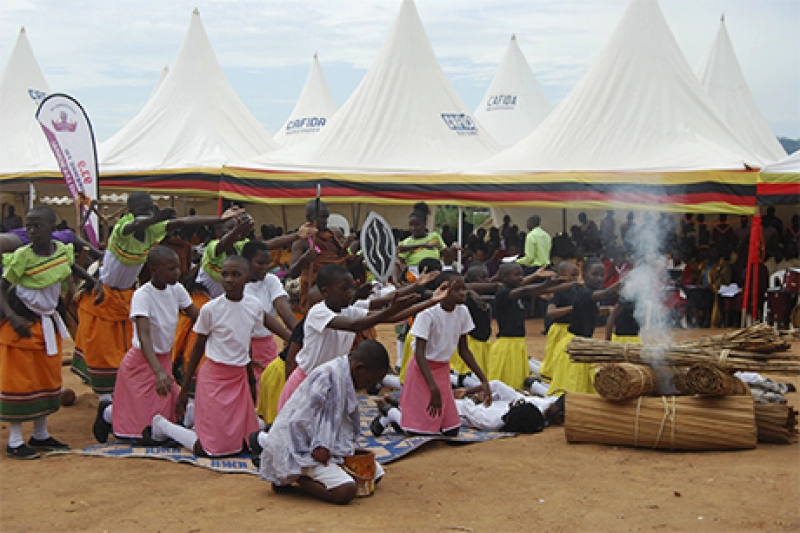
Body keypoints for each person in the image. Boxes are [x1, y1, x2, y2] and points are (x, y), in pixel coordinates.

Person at [72, 192, 242, 401]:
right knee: (103, 347)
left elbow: (183, 221)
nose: (147, 215)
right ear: (131, 212)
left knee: (124, 346)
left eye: (150, 211)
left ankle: (123, 393)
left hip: (125, 296)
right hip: (103, 296)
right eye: (142, 211)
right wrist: (155, 218)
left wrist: (220, 219)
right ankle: (104, 401)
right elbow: (135, 225)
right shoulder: (123, 228)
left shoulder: (154, 231)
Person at [0, 206, 102, 459]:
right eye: (29, 226)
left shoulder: (60, 252)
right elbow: (1, 288)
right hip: (21, 328)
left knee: (45, 379)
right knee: (19, 382)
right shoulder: (22, 256)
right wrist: (12, 318)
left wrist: (94, 282)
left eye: (38, 226)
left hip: (46, 327)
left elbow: (70, 268)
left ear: (52, 229)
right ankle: (14, 441)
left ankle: (40, 435)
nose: (32, 231)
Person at [279, 264, 446, 410]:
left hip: (329, 384)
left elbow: (390, 316)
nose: (351, 293)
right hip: (306, 383)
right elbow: (357, 325)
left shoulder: (349, 310)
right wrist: (391, 308)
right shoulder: (319, 312)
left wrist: (430, 300)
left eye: (352, 288)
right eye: (345, 289)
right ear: (326, 291)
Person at [148, 256, 262, 456]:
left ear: (247, 278)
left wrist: (251, 379)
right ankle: (163, 426)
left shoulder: (254, 306)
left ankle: (195, 415)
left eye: (236, 275)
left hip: (238, 379)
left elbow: (245, 343)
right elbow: (198, 347)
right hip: (214, 379)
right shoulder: (211, 309)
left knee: (245, 443)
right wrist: (184, 389)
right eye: (225, 274)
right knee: (211, 449)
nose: (228, 280)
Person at [250, 339, 390, 504]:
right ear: (359, 368)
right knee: (346, 491)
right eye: (368, 381)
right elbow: (300, 420)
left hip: (327, 447)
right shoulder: (326, 376)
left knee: (374, 474)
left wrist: (341, 446)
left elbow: (338, 423)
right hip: (301, 446)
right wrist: (318, 447)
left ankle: (285, 463)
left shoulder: (346, 375)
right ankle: (290, 474)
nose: (367, 387)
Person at [92, 246, 199, 443]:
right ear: (154, 269)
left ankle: (111, 411)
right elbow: (144, 335)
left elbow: (196, 315)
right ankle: (107, 413)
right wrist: (157, 371)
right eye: (170, 268)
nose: (176, 272)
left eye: (177, 268)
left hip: (163, 359)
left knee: (164, 410)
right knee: (138, 421)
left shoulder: (177, 289)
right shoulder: (143, 295)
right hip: (143, 361)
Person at [371, 272, 491, 437]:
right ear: (442, 290)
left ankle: (400, 411)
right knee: (418, 431)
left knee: (451, 430)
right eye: (457, 289)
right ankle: (390, 414)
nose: (463, 293)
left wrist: (483, 379)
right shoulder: (428, 314)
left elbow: (464, 350)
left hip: (442, 369)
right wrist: (433, 387)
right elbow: (419, 353)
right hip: (423, 369)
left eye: (464, 288)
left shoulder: (462, 311)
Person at [488, 263, 571, 389]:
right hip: (507, 344)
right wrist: (544, 284)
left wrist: (563, 285)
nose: (521, 277)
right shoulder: (502, 294)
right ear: (504, 278)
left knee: (517, 379)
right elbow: (525, 289)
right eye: (517, 275)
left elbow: (540, 291)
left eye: (521, 274)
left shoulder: (519, 295)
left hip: (519, 343)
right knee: (504, 381)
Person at [547, 258, 621, 395]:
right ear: (584, 275)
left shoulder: (591, 294)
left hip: (583, 345)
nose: (599, 279)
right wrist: (623, 283)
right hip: (574, 346)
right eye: (595, 274)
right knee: (570, 389)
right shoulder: (584, 293)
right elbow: (606, 294)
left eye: (601, 275)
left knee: (583, 386)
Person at [242, 240, 296, 388]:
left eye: (268, 264)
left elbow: (282, 306)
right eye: (260, 263)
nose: (265, 268)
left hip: (266, 345)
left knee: (268, 388)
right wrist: (291, 337)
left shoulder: (271, 281)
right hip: (242, 345)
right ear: (246, 262)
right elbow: (260, 316)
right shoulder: (238, 286)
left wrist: (297, 333)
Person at [290, 199, 358, 314]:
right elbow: (292, 273)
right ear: (309, 217)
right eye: (321, 217)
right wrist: (304, 259)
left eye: (326, 217)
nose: (325, 221)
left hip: (338, 288)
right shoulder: (302, 241)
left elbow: (341, 260)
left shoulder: (331, 236)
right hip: (315, 290)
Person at [453, 380, 563, 432]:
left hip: (457, 407)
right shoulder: (538, 408)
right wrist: (467, 392)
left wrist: (469, 396)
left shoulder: (490, 421)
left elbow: (463, 408)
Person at [540, 261, 580, 383]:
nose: (575, 278)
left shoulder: (578, 290)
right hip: (560, 330)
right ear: (561, 275)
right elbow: (551, 312)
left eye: (577, 275)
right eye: (572, 275)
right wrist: (572, 308)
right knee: (556, 359)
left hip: (573, 329)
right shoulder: (558, 291)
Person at [397, 202, 446, 279]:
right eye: (411, 225)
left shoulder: (434, 236)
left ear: (425, 224)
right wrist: (423, 245)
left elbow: (445, 253)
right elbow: (399, 257)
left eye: (416, 225)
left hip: (435, 273)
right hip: (414, 276)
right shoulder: (406, 242)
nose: (413, 228)